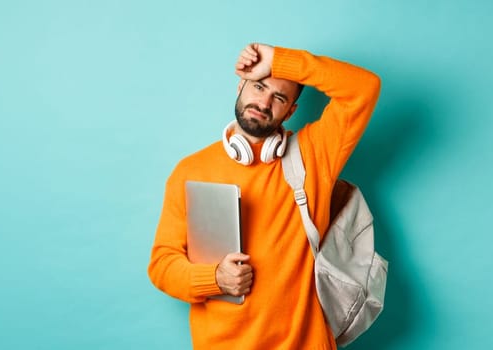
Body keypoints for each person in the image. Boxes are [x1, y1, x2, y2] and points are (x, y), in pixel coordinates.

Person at [147, 43, 380, 349]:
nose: (264, 101)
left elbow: (364, 88)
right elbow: (162, 265)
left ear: (291, 111)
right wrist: (215, 278)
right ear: (240, 85)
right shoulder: (191, 170)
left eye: (279, 97)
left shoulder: (314, 154)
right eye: (258, 86)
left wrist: (278, 60)